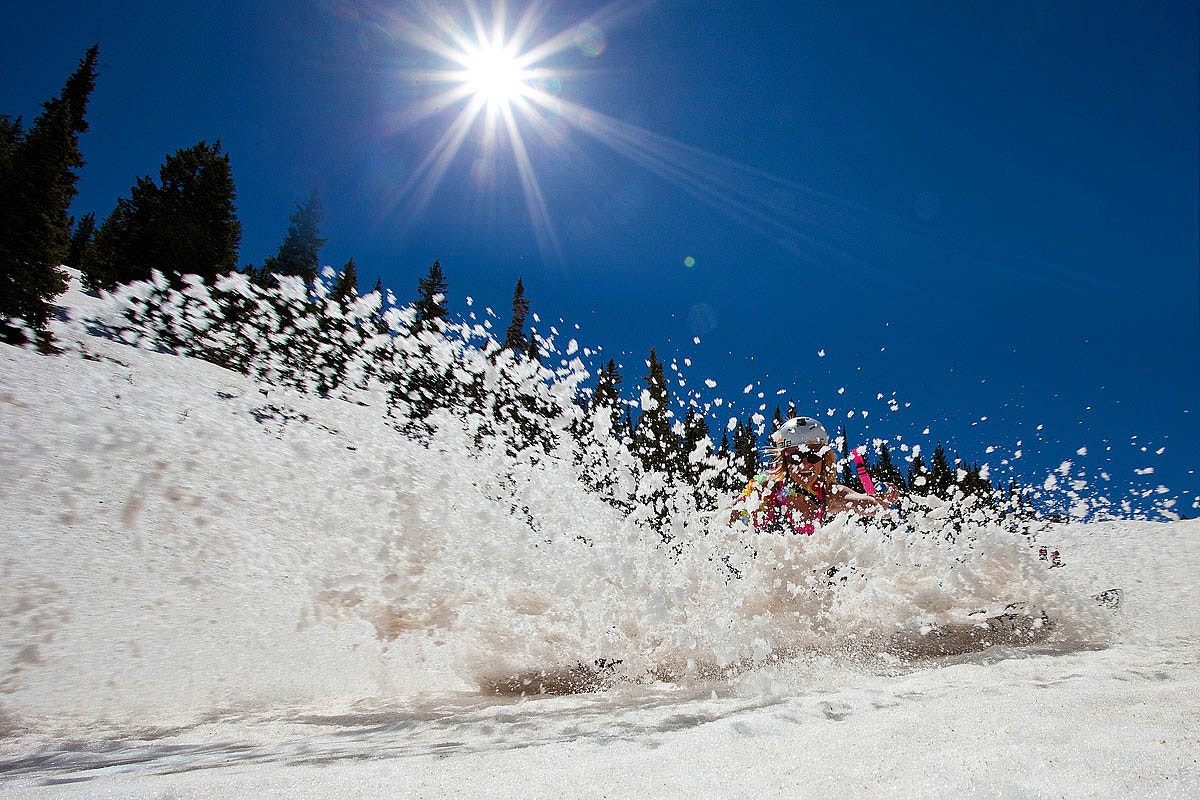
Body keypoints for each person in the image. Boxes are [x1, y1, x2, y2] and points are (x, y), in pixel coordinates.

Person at [729, 416, 899, 534]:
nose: (804, 465)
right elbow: (723, 520)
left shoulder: (829, 494)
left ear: (823, 458)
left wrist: (881, 502)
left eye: (812, 456)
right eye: (795, 457)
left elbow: (862, 502)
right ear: (785, 460)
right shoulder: (766, 488)